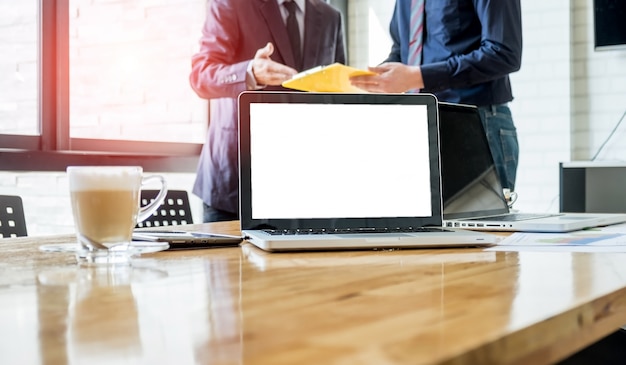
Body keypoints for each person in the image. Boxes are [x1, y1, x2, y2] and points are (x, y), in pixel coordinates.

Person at [189, 0, 346, 222]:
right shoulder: (232, 4)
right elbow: (201, 76)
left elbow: (336, 94)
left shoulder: (331, 17)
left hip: (302, 187)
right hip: (236, 182)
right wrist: (249, 73)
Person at [350, 0, 522, 193]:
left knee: (478, 221)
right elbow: (402, 51)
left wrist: (418, 77)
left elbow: (503, 53)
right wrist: (379, 78)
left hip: (477, 121)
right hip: (418, 126)